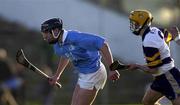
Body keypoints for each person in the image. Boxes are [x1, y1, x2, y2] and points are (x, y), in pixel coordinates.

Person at [40, 18, 120, 105]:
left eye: (46, 33)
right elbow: (65, 55)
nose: (45, 37)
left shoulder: (75, 38)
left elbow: (104, 45)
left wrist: (112, 68)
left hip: (94, 73)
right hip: (84, 74)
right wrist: (57, 75)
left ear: (55, 31)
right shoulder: (57, 45)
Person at [127, 9, 180, 105]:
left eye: (135, 23)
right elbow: (169, 36)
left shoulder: (149, 42)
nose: (133, 25)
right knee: (147, 102)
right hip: (161, 77)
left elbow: (153, 70)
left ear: (143, 24)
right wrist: (165, 50)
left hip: (169, 76)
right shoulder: (155, 30)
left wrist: (137, 66)